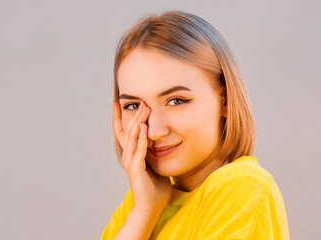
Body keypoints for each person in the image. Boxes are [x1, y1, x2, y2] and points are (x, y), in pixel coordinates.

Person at [100, 10, 290, 240]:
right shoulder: (141, 201)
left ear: (226, 100)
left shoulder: (241, 186)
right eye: (133, 106)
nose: (155, 130)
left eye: (176, 101)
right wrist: (144, 211)